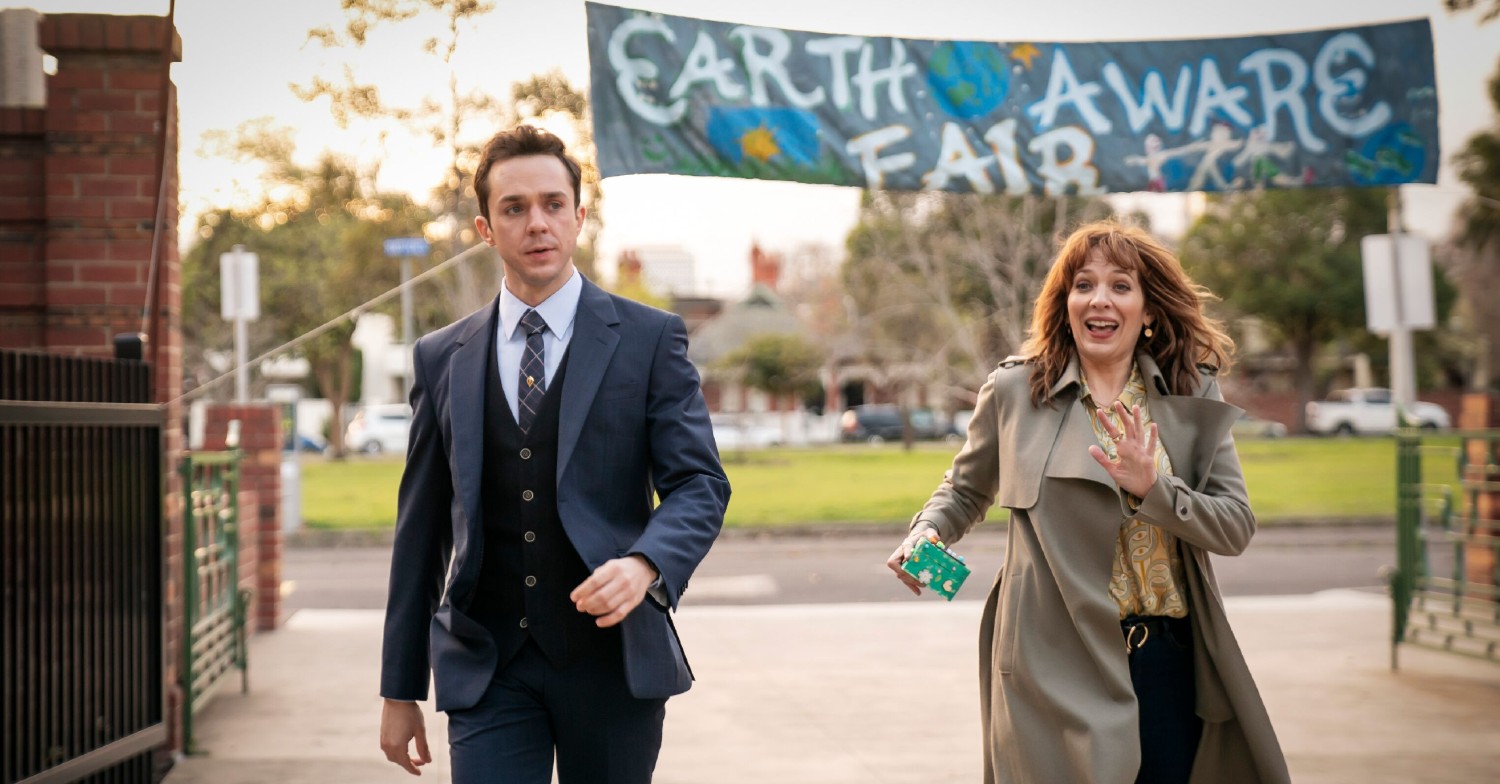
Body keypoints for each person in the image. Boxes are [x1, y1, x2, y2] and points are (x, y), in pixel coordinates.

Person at [378, 124, 730, 783]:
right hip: (488, 665)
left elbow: (699, 484)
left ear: (580, 215)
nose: (537, 223)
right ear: (486, 229)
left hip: (613, 664)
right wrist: (400, 689)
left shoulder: (650, 339)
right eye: (515, 208)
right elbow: (421, 532)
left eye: (553, 204)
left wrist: (646, 564)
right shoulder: (440, 358)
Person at [887, 220, 1289, 784]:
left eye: (1121, 285)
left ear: (1148, 311)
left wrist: (1155, 490)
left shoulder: (1191, 394)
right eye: (1083, 284)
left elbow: (1235, 526)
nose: (1099, 299)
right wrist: (925, 534)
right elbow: (965, 487)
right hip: (1051, 664)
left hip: (1168, 665)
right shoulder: (1013, 391)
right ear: (1065, 302)